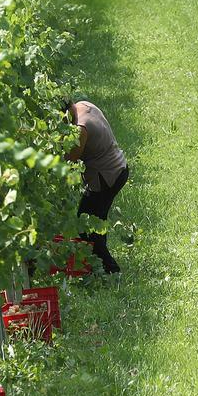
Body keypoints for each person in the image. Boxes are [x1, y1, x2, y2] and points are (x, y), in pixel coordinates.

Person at [65, 97, 129, 274]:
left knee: (87, 225)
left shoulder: (80, 129)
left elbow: (70, 160)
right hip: (118, 168)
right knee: (95, 221)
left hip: (106, 177)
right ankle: (99, 266)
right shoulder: (84, 105)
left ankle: (111, 270)